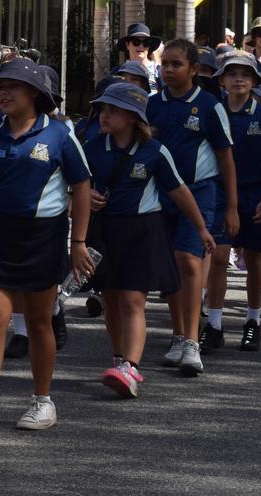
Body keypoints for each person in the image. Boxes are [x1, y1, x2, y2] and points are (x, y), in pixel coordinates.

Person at [0, 58, 91, 433]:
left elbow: (82, 186)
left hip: (43, 239)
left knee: (38, 321)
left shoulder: (60, 135)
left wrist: (77, 241)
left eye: (12, 85)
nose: (3, 92)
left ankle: (43, 402)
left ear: (34, 93)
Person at [83, 83, 214, 397]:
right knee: (111, 298)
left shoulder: (154, 150)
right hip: (106, 231)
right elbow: (72, 182)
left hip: (144, 230)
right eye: (102, 108)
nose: (104, 115)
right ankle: (118, 357)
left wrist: (201, 228)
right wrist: (84, 194)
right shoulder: (92, 146)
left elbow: (180, 191)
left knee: (133, 299)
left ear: (132, 116)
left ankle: (130, 367)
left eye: (113, 110)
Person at [146, 38, 237, 376]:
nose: (168, 70)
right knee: (170, 266)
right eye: (165, 64)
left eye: (176, 64)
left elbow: (226, 157)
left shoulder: (210, 106)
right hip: (161, 194)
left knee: (188, 258)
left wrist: (232, 207)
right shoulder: (152, 104)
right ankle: (179, 335)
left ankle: (193, 341)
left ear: (194, 70)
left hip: (200, 192)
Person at [203, 52, 261, 352]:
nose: (238, 79)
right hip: (219, 195)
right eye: (232, 74)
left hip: (256, 194)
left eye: (245, 74)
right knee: (219, 256)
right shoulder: (214, 112)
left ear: (255, 81)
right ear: (221, 80)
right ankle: (215, 324)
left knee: (257, 258)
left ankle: (253, 321)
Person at [116, 23, 162, 89]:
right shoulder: (117, 71)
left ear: (149, 46)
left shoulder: (158, 71)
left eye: (146, 42)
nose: (141, 46)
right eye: (136, 42)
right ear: (127, 45)